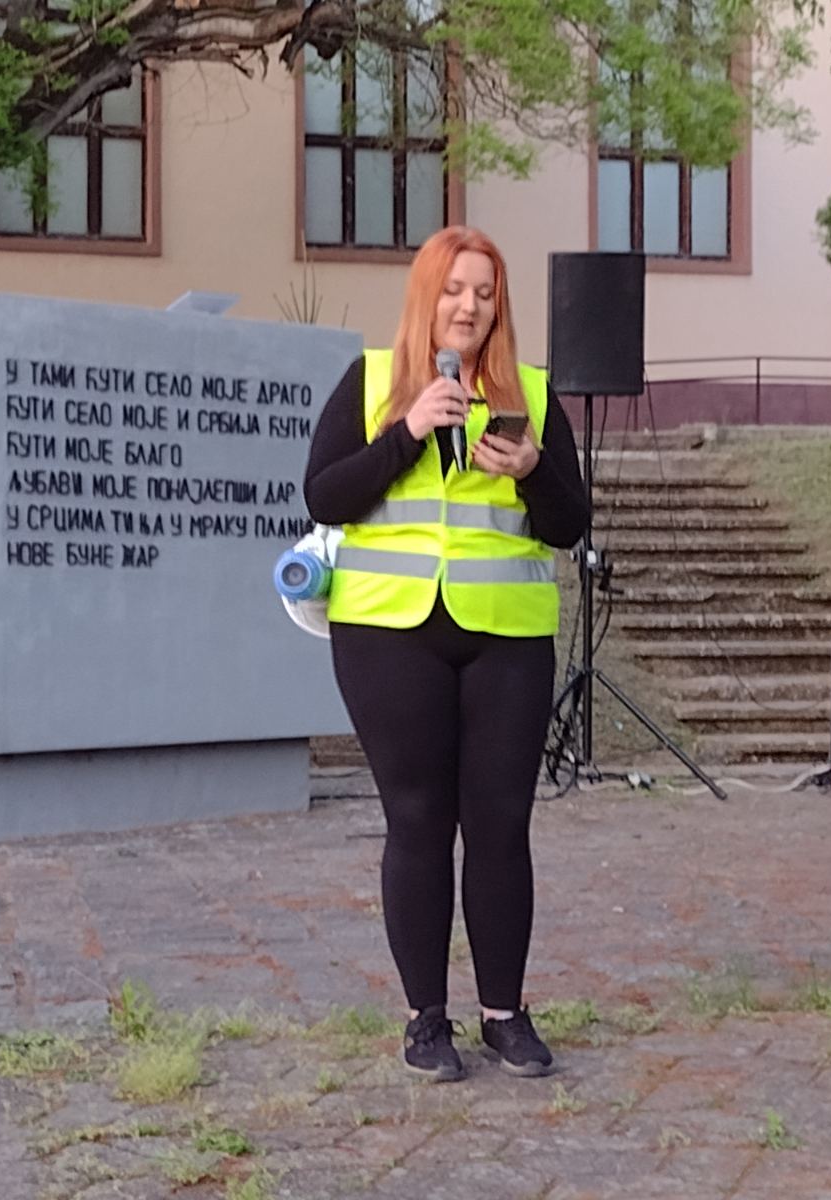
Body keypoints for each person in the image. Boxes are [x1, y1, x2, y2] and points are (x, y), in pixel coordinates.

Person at [303, 225, 589, 1081]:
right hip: (389, 634)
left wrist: (534, 468)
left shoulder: (531, 394)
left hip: (505, 636)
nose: (470, 306)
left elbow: (570, 523)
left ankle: (505, 1013)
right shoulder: (370, 384)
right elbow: (323, 495)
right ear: (427, 296)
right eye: (457, 289)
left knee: (501, 824)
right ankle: (426, 1021)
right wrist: (408, 432)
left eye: (487, 292)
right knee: (419, 822)